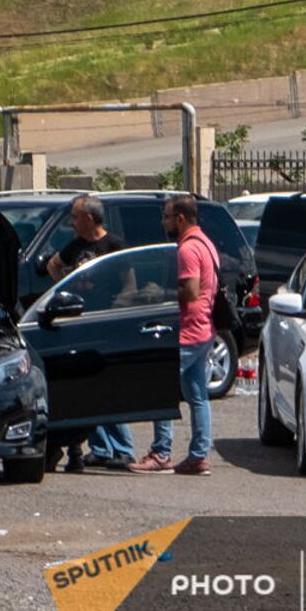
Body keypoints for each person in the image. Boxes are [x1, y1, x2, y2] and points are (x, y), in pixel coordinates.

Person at [40, 197, 129, 472]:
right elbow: (53, 265)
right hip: (80, 321)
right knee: (86, 387)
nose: (71, 222)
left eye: (75, 217)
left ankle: (123, 449)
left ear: (89, 219)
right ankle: (99, 448)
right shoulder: (76, 246)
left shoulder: (113, 246)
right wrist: (67, 287)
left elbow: (129, 284)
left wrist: (114, 307)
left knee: (109, 386)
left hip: (105, 322)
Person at [132, 196, 219, 476]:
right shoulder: (206, 243)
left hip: (188, 329)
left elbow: (191, 291)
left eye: (166, 217)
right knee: (197, 395)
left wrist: (161, 294)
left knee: (160, 387)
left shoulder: (188, 249)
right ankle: (198, 455)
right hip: (204, 328)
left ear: (180, 218)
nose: (163, 222)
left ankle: (161, 452)